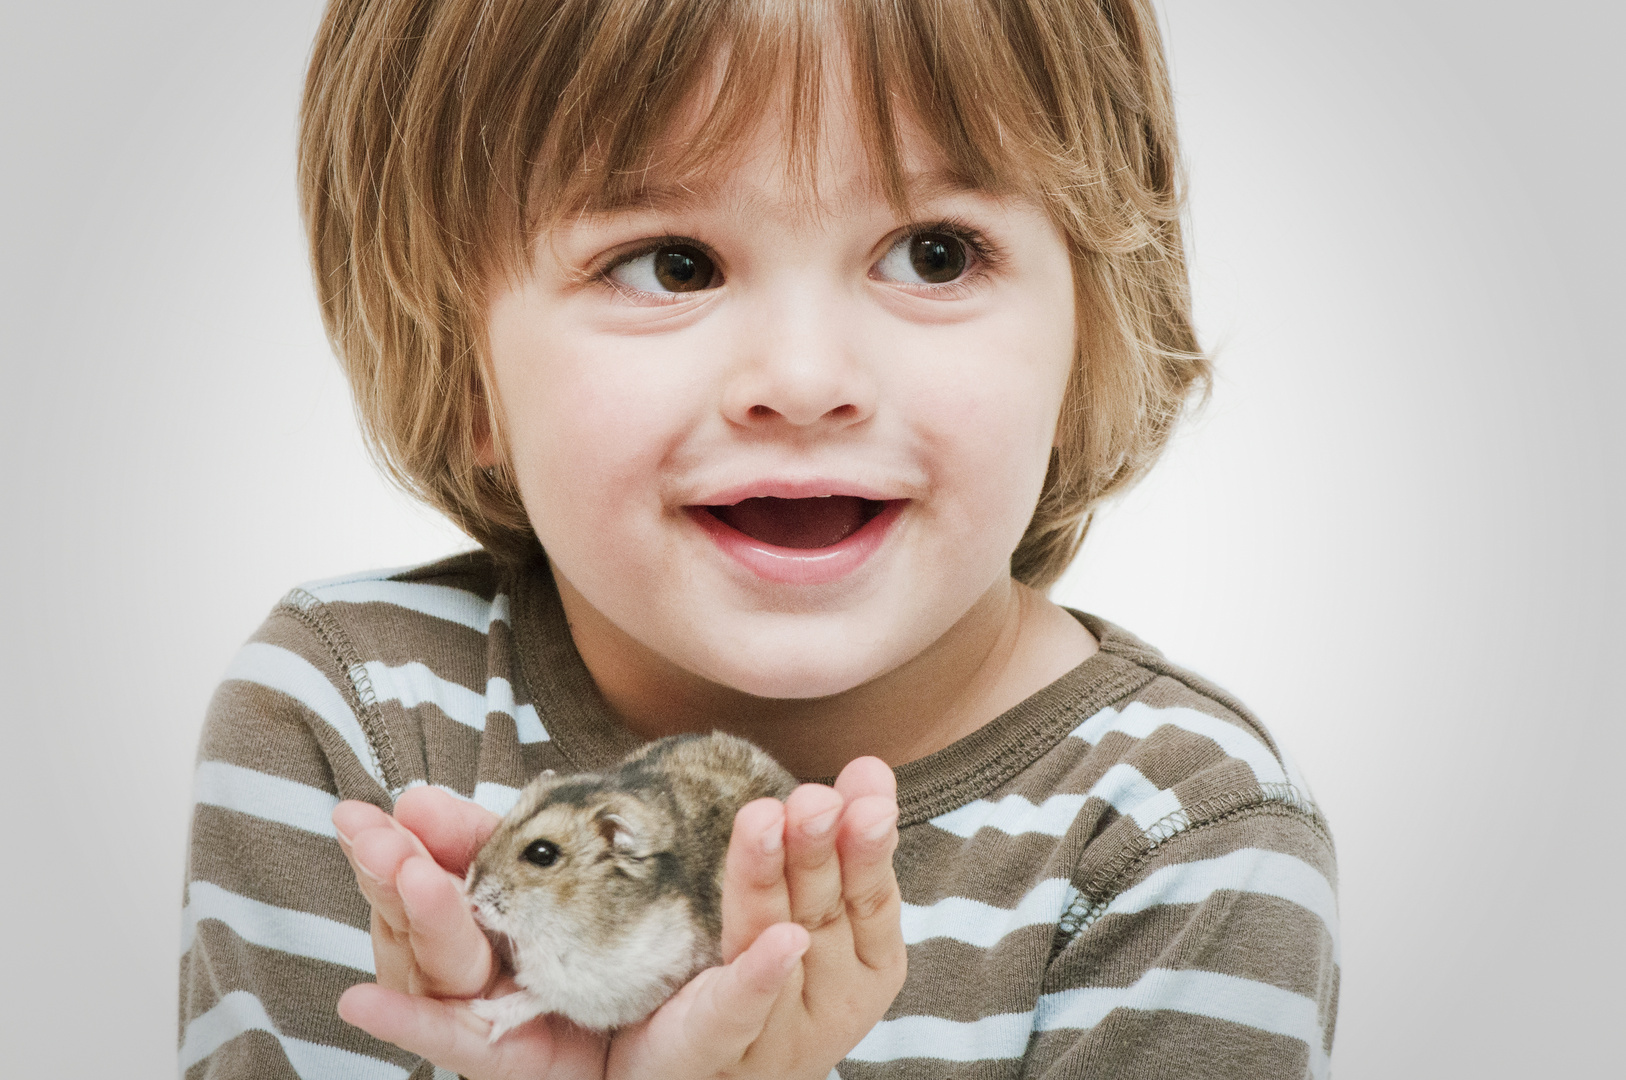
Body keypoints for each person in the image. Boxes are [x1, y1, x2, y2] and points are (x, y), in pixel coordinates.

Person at [178, 1, 1338, 1077]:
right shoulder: (352, 729)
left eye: (935, 251)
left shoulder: (1179, 842)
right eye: (670, 264)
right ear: (462, 360)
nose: (801, 380)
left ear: (1089, 333)